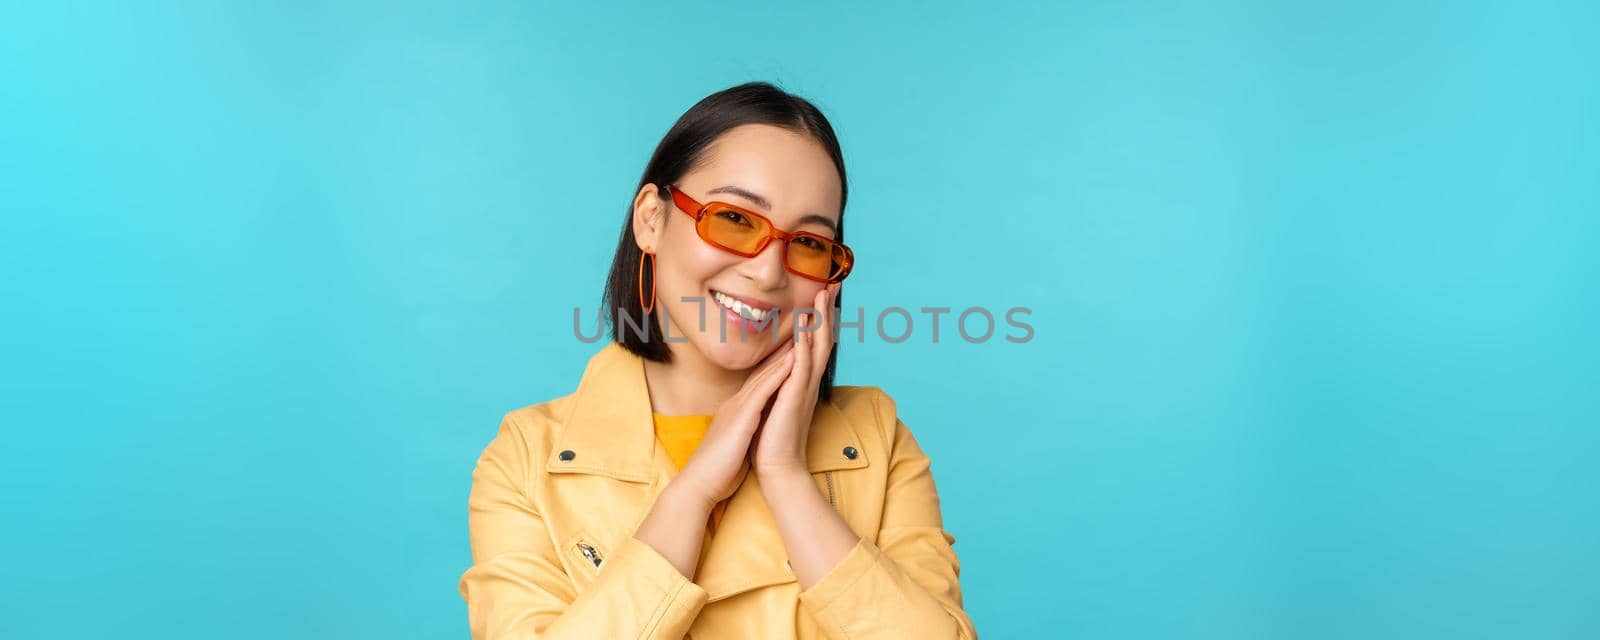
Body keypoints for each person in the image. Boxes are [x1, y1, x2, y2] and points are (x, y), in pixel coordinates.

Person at [457, 82, 977, 639]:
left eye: (807, 243)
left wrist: (786, 476)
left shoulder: (877, 441)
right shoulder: (526, 460)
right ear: (651, 219)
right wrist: (696, 489)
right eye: (734, 219)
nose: (769, 272)